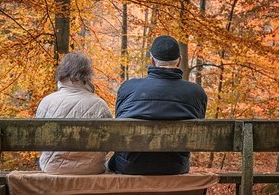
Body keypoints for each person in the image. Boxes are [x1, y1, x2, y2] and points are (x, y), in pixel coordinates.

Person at [107, 35, 208, 175]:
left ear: (152, 61)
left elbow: (120, 121)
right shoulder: (197, 93)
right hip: (174, 167)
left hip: (129, 166)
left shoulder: (128, 88)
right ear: (179, 61)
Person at [36, 51, 112, 175]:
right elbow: (109, 142)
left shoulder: (46, 102)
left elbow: (40, 142)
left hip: (52, 168)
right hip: (91, 169)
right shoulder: (99, 104)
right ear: (87, 75)